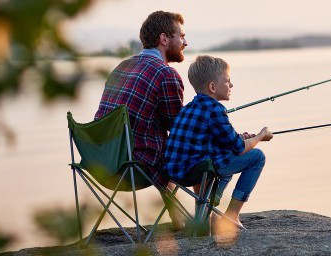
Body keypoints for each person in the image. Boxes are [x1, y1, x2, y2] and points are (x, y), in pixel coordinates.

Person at [94, 11, 188, 229]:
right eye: (181, 36)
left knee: (159, 145)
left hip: (100, 161)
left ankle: (179, 218)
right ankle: (200, 220)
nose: (185, 42)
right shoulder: (166, 74)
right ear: (164, 39)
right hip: (132, 167)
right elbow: (177, 129)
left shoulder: (121, 67)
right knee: (189, 148)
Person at [164, 55, 273, 233]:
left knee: (224, 155)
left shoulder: (188, 108)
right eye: (228, 81)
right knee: (257, 157)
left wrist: (242, 137)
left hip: (176, 173)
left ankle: (207, 214)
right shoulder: (215, 109)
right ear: (213, 87)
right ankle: (231, 215)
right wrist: (260, 136)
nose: (231, 86)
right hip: (198, 172)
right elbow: (238, 148)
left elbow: (214, 138)